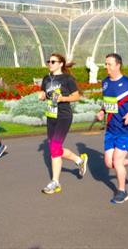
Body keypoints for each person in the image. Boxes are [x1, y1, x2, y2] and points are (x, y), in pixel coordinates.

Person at [95, 53, 128, 204]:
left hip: (125, 129)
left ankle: (122, 191)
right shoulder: (105, 83)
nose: (106, 67)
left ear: (118, 65)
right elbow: (108, 102)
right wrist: (103, 111)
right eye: (105, 64)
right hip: (111, 129)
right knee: (109, 164)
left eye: (109, 64)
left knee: (116, 162)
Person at [38, 53, 88, 194]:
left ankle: (55, 182)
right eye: (49, 61)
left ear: (61, 64)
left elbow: (76, 96)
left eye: (53, 61)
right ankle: (79, 160)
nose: (50, 64)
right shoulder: (46, 78)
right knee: (55, 149)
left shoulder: (67, 78)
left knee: (54, 148)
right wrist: (41, 96)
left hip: (64, 116)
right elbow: (43, 92)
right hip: (51, 116)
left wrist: (63, 99)